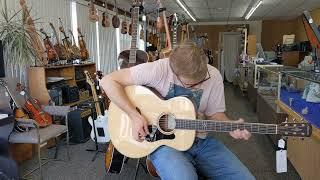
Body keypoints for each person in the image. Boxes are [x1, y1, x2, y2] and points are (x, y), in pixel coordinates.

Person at [101, 40, 255, 180]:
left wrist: (229, 126)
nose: (196, 86)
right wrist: (134, 115)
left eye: (200, 81)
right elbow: (108, 81)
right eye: (191, 84)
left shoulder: (213, 75)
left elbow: (216, 114)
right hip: (163, 144)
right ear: (174, 71)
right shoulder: (159, 68)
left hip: (200, 141)